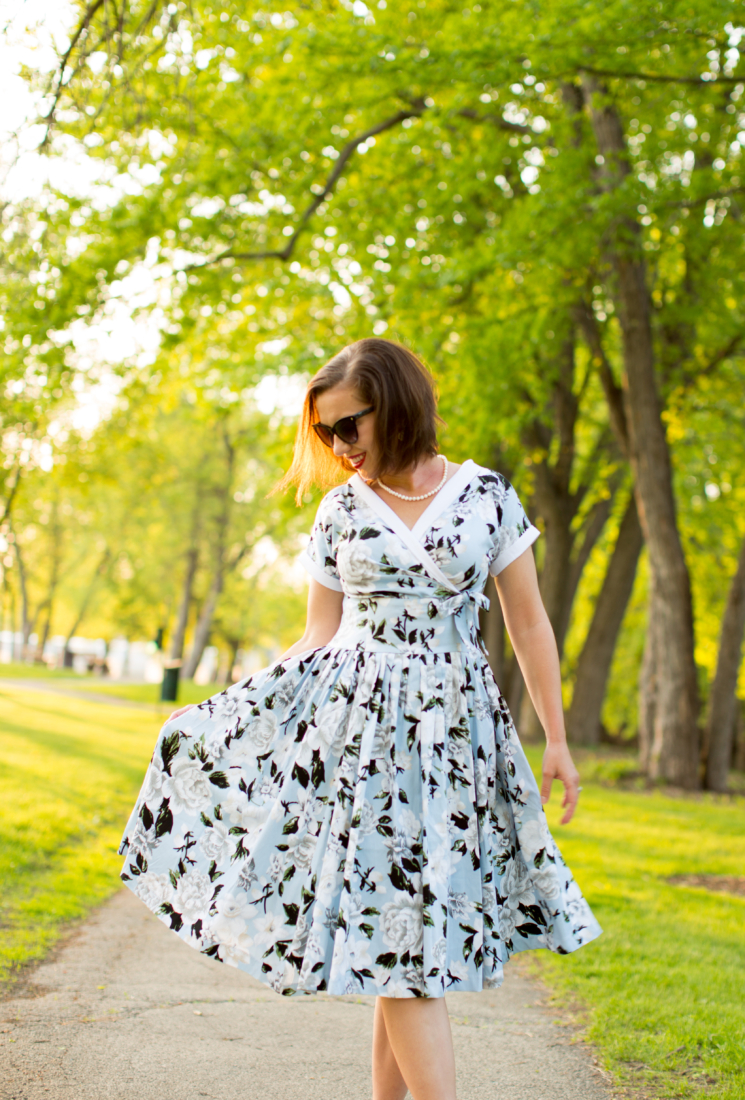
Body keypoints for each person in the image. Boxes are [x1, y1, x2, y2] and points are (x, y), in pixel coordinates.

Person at [119, 338, 601, 1100]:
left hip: (456, 740)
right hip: (364, 743)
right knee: (401, 936)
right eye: (325, 433)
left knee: (404, 945)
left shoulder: (486, 497)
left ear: (398, 405)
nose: (338, 446)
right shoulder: (339, 509)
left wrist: (558, 740)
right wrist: (235, 710)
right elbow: (318, 635)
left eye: (350, 425)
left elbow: (529, 624)